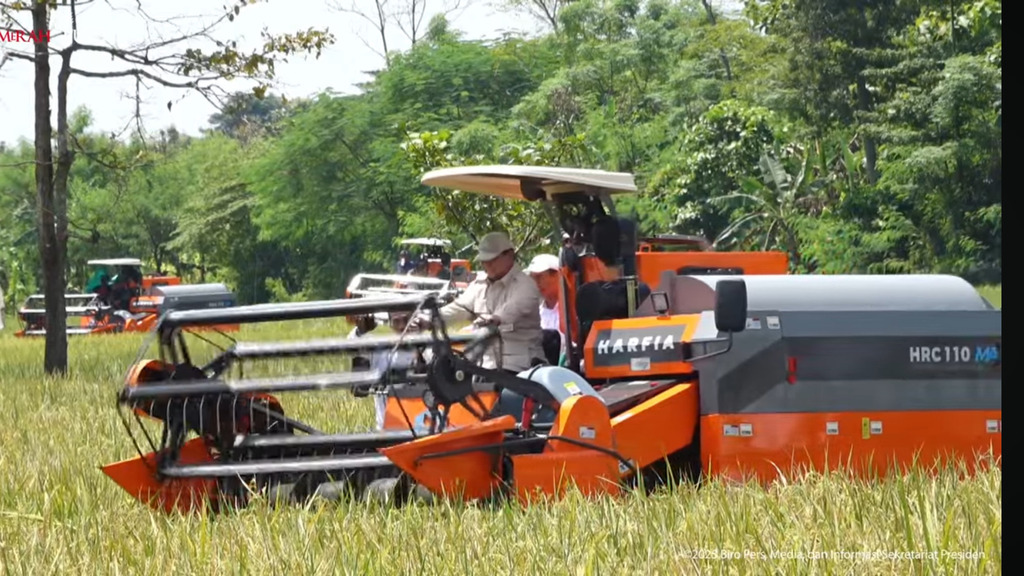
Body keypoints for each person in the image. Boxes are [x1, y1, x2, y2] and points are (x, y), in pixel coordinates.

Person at [412, 231, 543, 373]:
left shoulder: (525, 284)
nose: (487, 264)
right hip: (481, 363)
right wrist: (431, 320)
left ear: (509, 255)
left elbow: (516, 308)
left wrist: (496, 318)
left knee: (504, 392)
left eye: (492, 259)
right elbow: (460, 309)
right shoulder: (479, 285)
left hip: (519, 366)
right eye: (484, 260)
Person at [348, 311, 418, 430]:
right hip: (388, 435)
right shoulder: (380, 354)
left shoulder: (432, 350)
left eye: (406, 320)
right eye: (396, 321)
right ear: (390, 324)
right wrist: (361, 331)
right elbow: (359, 389)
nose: (402, 326)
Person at [525, 253, 565, 366]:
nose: (536, 283)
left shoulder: (572, 311)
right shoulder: (535, 314)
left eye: (540, 277)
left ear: (558, 275)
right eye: (533, 278)